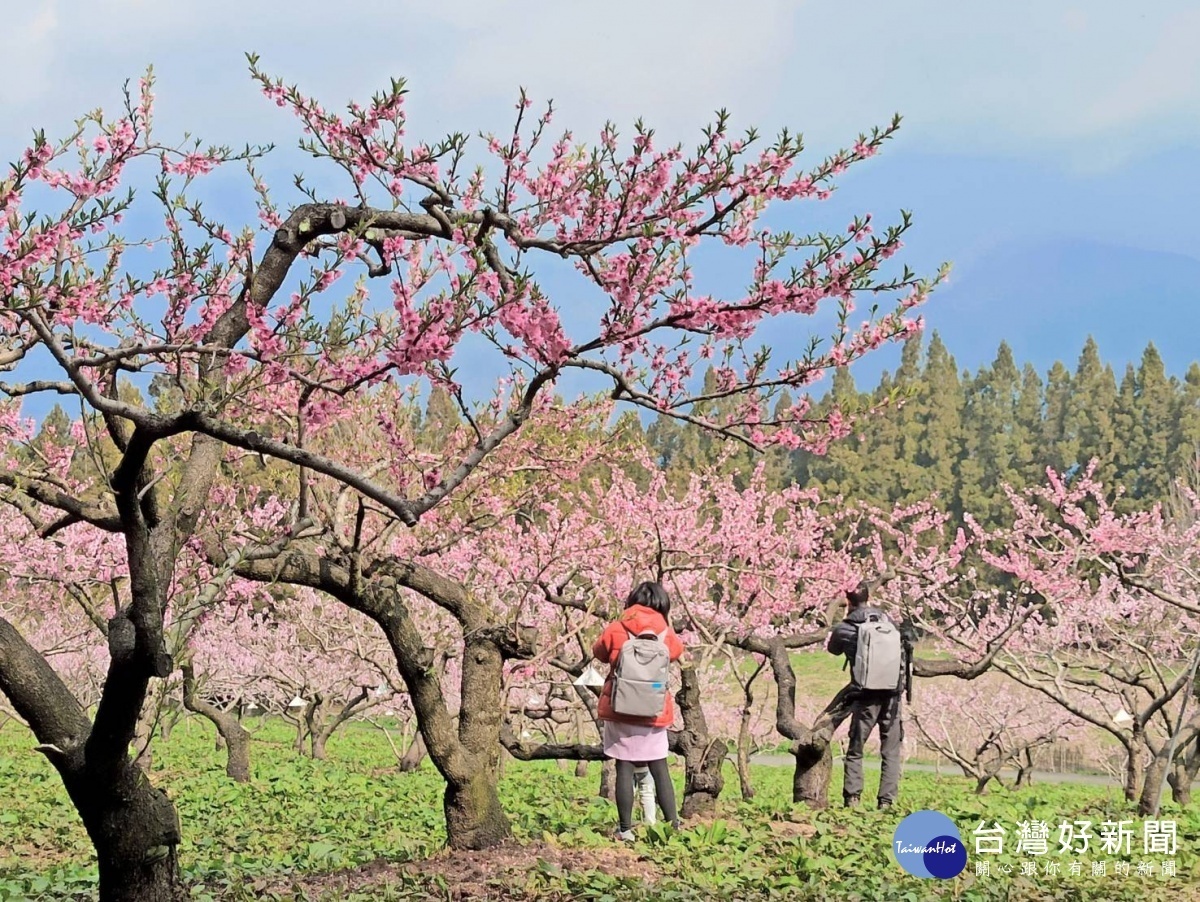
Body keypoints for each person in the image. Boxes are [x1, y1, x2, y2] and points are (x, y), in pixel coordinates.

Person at [592, 580, 684, 840]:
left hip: (621, 707)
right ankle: (673, 826)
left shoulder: (617, 626)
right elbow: (677, 652)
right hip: (654, 710)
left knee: (624, 767)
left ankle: (625, 829)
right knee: (659, 767)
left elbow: (598, 652)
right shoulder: (665, 631)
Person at [826, 581, 905, 810]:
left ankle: (853, 798)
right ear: (869, 598)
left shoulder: (845, 628)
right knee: (890, 750)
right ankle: (886, 802)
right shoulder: (887, 622)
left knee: (856, 749)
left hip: (865, 694)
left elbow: (833, 650)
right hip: (892, 693)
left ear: (848, 601)